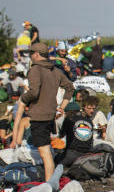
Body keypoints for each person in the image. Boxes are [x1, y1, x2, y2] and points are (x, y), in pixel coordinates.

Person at [13, 43, 74, 184]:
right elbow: (70, 87)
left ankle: (49, 185)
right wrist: (62, 107)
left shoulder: (35, 70)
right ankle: (51, 183)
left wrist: (24, 98)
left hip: (39, 115)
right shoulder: (55, 70)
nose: (31, 56)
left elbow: (34, 92)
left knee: (45, 153)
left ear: (36, 54)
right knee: (46, 150)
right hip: (50, 115)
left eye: (31, 54)